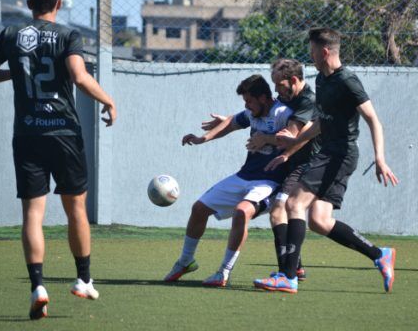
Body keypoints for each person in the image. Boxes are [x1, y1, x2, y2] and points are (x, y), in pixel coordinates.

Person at [0, 0, 116, 320]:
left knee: (32, 215)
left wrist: (15, 73)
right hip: (64, 133)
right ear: (58, 3)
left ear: (27, 2)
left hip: (27, 135)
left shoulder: (10, 35)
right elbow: (79, 77)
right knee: (76, 209)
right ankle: (83, 279)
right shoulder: (68, 34)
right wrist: (109, 100)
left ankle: (38, 285)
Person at [253, 28, 399, 294]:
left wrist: (380, 158)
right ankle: (380, 254)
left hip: (340, 153)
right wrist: (292, 142)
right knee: (319, 220)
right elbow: (320, 122)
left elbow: (373, 120)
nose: (310, 56)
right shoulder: (322, 79)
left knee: (295, 202)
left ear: (324, 52)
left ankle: (288, 276)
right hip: (330, 152)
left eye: (311, 51)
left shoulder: (348, 81)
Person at [163, 74, 293, 287]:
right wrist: (201, 139)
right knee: (199, 208)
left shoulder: (283, 113)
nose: (247, 107)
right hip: (245, 175)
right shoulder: (252, 113)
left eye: (249, 101)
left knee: (242, 211)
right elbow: (231, 123)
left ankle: (223, 273)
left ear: (263, 98)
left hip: (269, 182)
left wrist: (268, 139)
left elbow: (299, 137)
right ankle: (185, 262)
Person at [201, 59, 318, 280]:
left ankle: (287, 274)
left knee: (285, 212)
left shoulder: (305, 102)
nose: (276, 90)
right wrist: (222, 124)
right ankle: (293, 269)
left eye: (278, 85)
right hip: (289, 162)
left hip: (304, 164)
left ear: (293, 81)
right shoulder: (287, 99)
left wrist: (264, 139)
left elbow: (290, 137)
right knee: (309, 218)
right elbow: (251, 117)